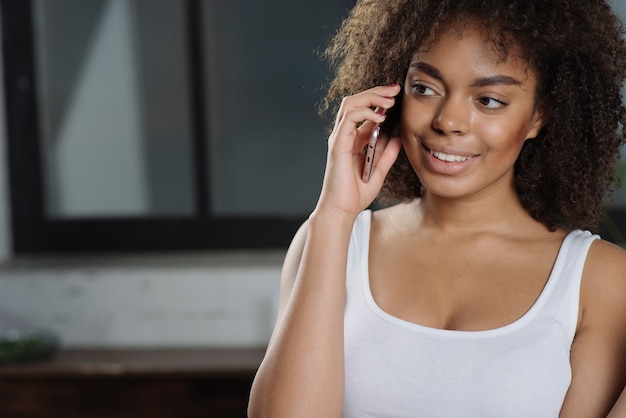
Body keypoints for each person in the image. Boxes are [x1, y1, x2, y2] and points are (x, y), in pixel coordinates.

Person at [248, 0, 626, 416]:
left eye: (489, 100)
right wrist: (335, 215)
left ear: (539, 115)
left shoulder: (598, 281)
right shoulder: (330, 241)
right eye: (425, 88)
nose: (448, 121)